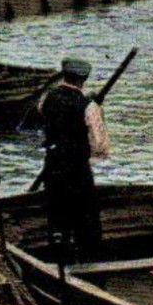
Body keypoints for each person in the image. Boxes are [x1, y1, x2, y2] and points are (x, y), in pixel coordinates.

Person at [39, 55, 109, 261]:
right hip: (77, 169)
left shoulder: (47, 97)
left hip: (52, 165)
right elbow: (100, 145)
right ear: (83, 80)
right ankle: (89, 264)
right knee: (86, 220)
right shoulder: (88, 106)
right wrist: (95, 108)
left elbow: (43, 112)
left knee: (57, 215)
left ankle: (60, 260)